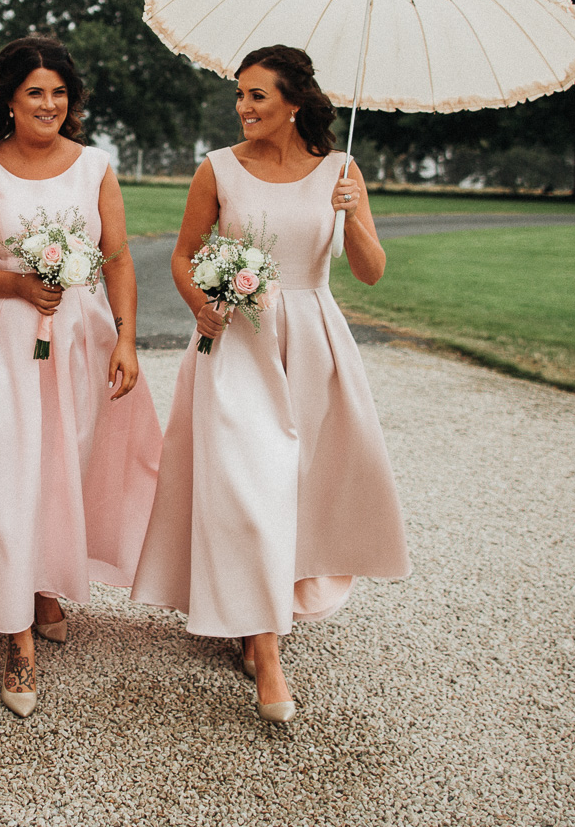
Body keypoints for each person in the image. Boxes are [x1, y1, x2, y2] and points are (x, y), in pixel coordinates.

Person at [130, 44, 410, 723]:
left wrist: (355, 211)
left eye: (258, 95)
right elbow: (184, 252)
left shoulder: (343, 171)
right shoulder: (217, 169)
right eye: (239, 95)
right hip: (236, 345)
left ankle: (263, 610)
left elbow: (370, 270)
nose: (244, 108)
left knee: (297, 484)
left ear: (293, 101)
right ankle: (267, 650)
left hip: (313, 340)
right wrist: (199, 300)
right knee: (250, 482)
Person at [0, 35, 161, 718]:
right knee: (6, 468)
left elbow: (116, 259)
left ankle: (47, 580)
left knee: (64, 465)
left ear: (71, 101)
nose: (48, 104)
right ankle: (17, 635)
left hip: (79, 337)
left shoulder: (95, 168)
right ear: (10, 101)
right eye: (34, 93)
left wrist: (129, 340)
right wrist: (19, 287)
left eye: (58, 92)